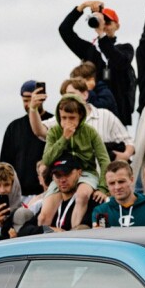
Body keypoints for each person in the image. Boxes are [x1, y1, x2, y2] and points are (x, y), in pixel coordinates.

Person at [61, 1, 137, 124]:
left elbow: (119, 62)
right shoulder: (90, 50)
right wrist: (82, 7)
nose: (104, 25)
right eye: (101, 22)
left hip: (118, 116)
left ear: (117, 26)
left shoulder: (125, 48)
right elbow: (64, 30)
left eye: (107, 22)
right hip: (92, 112)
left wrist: (102, 35)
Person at [40, 95, 110, 227]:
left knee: (82, 195)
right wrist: (64, 138)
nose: (67, 122)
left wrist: (102, 187)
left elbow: (104, 159)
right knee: (44, 216)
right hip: (61, 173)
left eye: (72, 118)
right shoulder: (54, 132)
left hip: (86, 173)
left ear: (81, 116)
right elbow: (47, 159)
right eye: (64, 118)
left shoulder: (90, 132)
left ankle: (74, 234)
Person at [2, 80, 51, 196]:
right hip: (20, 194)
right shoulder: (14, 127)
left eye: (32, 99)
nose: (30, 104)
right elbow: (5, 163)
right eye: (26, 100)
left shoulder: (54, 122)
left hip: (47, 191)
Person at [92, 161, 145, 228]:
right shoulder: (101, 212)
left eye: (121, 181)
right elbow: (101, 239)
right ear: (107, 185)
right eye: (112, 183)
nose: (117, 187)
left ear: (131, 180)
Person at [40, 156, 93, 232]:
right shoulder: (51, 203)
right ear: (53, 177)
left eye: (67, 174)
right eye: (58, 176)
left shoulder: (89, 200)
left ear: (79, 172)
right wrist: (53, 230)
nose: (62, 180)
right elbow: (25, 229)